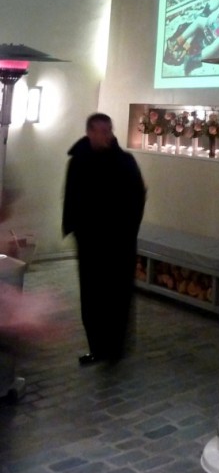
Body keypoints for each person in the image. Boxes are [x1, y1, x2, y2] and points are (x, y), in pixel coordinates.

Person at [62, 113, 146, 364]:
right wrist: (76, 228)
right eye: (101, 131)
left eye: (109, 130)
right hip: (90, 242)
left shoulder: (124, 161)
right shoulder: (79, 161)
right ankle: (97, 347)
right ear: (90, 132)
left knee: (116, 296)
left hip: (119, 243)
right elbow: (72, 196)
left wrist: (126, 231)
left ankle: (114, 349)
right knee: (92, 296)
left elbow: (137, 197)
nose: (107, 135)